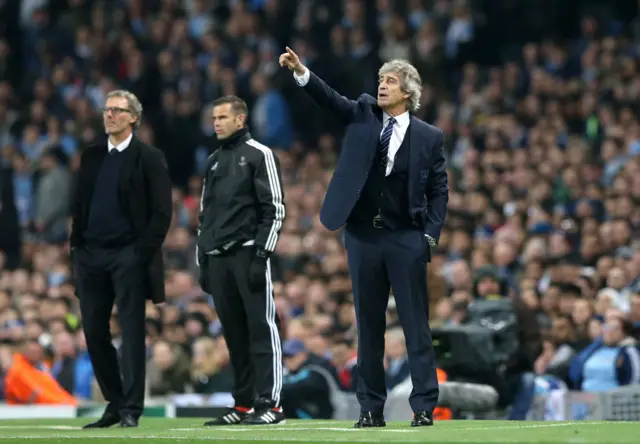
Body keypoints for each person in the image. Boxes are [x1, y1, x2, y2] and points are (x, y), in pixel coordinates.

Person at [279, 47, 448, 428]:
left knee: (415, 325)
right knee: (368, 325)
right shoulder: (362, 114)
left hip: (406, 237)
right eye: (380, 80)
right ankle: (370, 409)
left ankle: (423, 407)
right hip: (362, 238)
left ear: (408, 91)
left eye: (390, 81)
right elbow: (328, 98)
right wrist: (302, 71)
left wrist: (429, 237)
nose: (382, 85)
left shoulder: (429, 137)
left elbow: (439, 190)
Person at [70, 90, 173, 428]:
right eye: (107, 109)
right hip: (91, 256)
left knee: (131, 332)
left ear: (133, 117)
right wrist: (77, 248)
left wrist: (139, 253)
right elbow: (80, 204)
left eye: (117, 110)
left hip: (127, 254)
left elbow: (161, 212)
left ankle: (131, 408)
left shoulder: (149, 157)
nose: (109, 115)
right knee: (94, 331)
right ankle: (114, 402)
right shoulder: (91, 156)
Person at [197, 95, 286, 426]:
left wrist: (261, 253)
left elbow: (275, 208)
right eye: (214, 117)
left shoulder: (260, 154)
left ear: (241, 119)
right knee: (233, 335)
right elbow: (204, 215)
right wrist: (203, 260)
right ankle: (244, 403)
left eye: (223, 117)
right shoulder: (212, 161)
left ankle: (271, 404)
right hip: (218, 257)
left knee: (262, 329)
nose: (217, 122)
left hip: (249, 252)